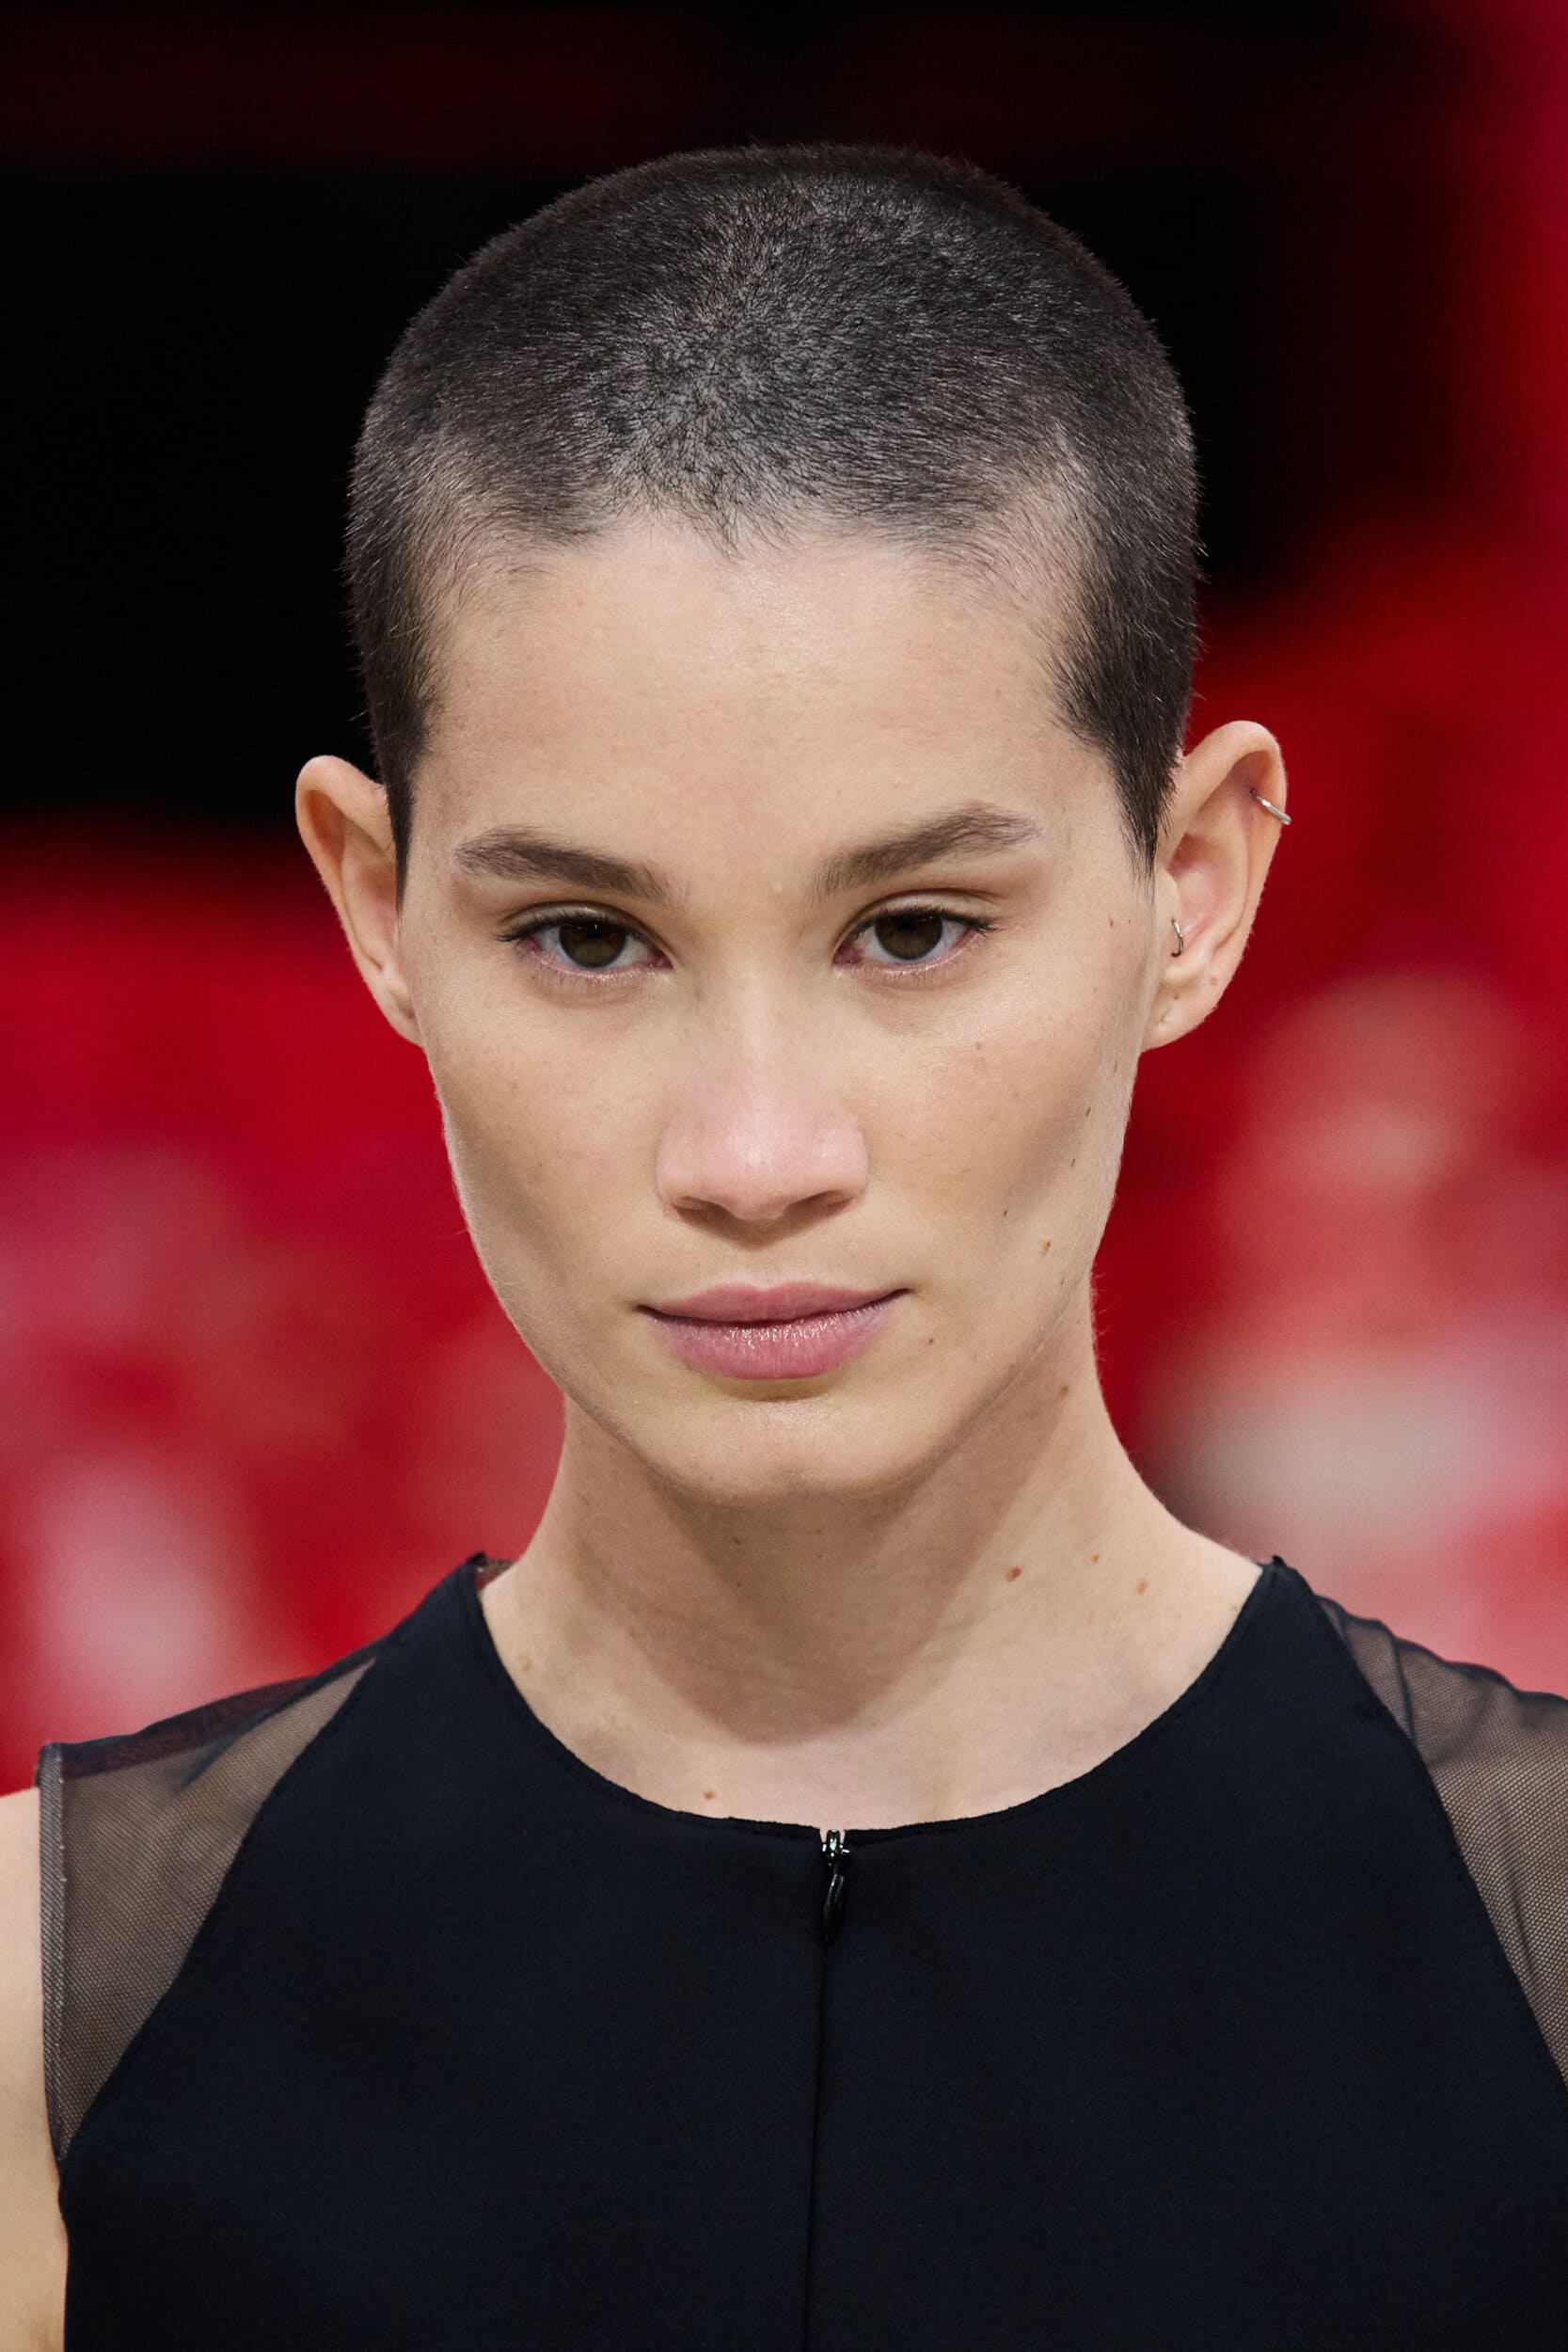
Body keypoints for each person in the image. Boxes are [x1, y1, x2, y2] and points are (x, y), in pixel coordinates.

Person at [4, 139, 1567, 2349]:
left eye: (913, 928)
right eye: (586, 935)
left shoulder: (1540, 1954)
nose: (754, 1150)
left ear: (1198, 882)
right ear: (379, 907)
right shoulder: (48, 2027)